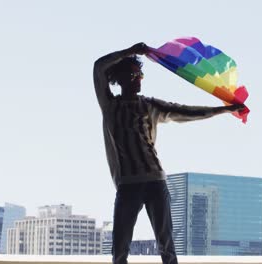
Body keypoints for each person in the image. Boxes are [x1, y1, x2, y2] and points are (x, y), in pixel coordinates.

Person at [93, 42, 246, 264]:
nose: (139, 79)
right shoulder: (109, 105)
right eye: (134, 75)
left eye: (140, 75)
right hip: (128, 184)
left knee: (167, 247)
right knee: (119, 249)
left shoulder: (150, 105)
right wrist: (130, 52)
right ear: (121, 78)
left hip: (156, 181)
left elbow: (185, 111)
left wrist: (224, 109)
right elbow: (98, 67)